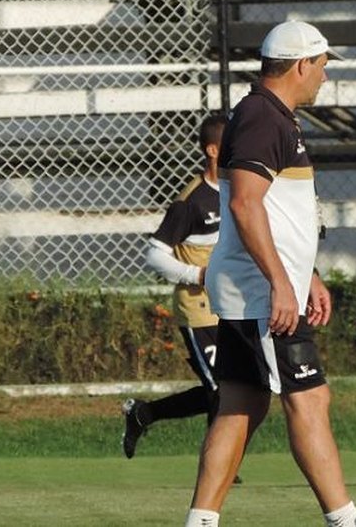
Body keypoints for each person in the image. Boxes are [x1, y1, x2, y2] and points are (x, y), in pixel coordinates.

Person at [183, 20, 356, 527]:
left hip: (260, 289)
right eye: (321, 66)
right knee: (310, 398)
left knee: (241, 404)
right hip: (261, 295)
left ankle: (201, 522)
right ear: (301, 65)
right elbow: (247, 206)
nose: (324, 77)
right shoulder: (261, 119)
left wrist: (305, 274)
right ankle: (345, 521)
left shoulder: (270, 116)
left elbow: (278, 212)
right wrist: (280, 282)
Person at [121, 115, 230, 462]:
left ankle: (144, 414)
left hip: (231, 305)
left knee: (232, 388)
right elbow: (155, 254)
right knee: (221, 390)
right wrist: (196, 275)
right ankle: (220, 462)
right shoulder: (192, 202)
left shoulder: (238, 191)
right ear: (213, 150)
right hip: (199, 310)